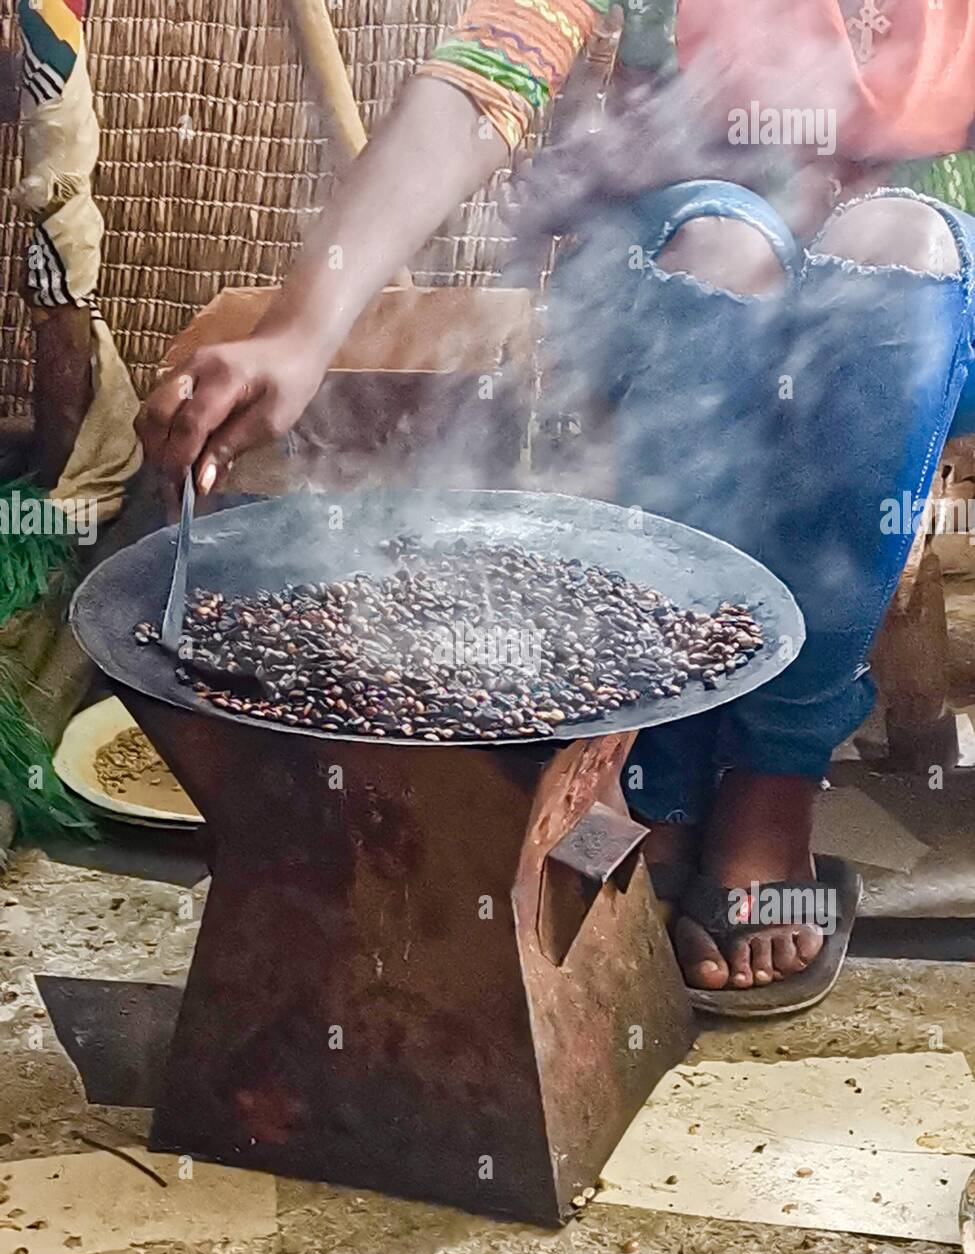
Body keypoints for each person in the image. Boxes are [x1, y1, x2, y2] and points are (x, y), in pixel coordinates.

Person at [137, 0, 975, 1010]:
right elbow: (484, 75)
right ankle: (648, 755)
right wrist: (304, 328)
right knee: (723, 243)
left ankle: (775, 773)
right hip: (669, 267)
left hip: (916, 321)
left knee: (894, 247)